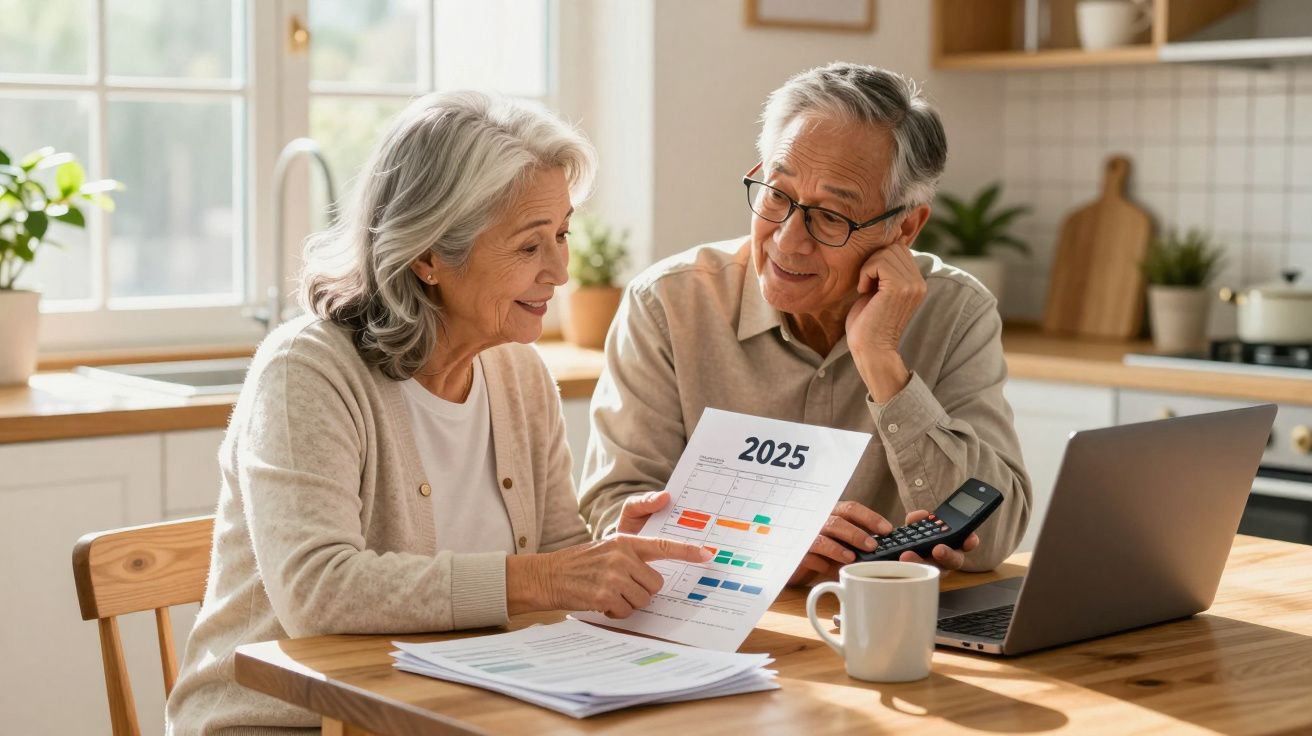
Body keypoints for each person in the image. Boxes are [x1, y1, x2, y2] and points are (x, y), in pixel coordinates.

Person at [166, 91, 710, 735]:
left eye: (562, 235)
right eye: (529, 247)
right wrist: (545, 578)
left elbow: (555, 559)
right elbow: (318, 591)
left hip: (447, 715)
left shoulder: (518, 372)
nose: (560, 270)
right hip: (287, 723)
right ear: (428, 256)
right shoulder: (305, 372)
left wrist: (605, 560)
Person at [579, 62, 1031, 585]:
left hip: (891, 625)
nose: (788, 241)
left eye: (832, 216)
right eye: (777, 194)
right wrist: (763, 544)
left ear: (905, 226)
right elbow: (613, 515)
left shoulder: (956, 313)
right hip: (712, 626)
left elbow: (991, 539)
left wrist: (884, 364)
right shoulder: (667, 304)